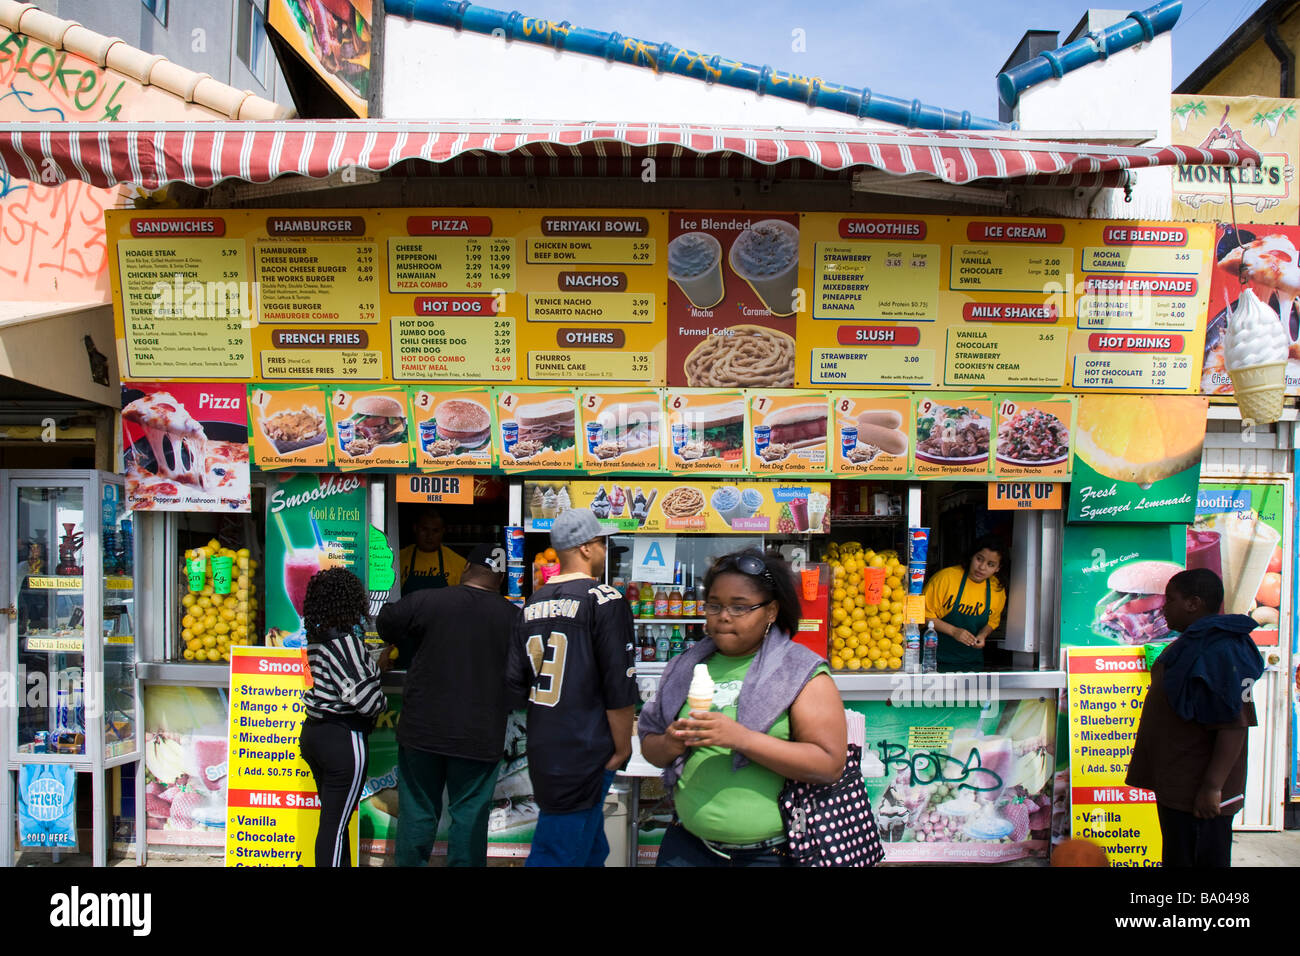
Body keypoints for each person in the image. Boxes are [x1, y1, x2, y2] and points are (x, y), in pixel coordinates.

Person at [639, 549, 847, 867]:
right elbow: (652, 749)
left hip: (771, 855)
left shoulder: (801, 672)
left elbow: (829, 764)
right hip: (688, 848)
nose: (724, 616)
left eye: (740, 607)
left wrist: (741, 738)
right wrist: (671, 742)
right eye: (715, 605)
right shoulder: (684, 666)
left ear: (771, 611)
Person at [506, 508, 637, 867]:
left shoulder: (531, 604)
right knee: (557, 853)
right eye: (602, 543)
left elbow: (515, 685)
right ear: (584, 548)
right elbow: (619, 686)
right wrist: (623, 746)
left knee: (591, 849)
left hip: (545, 745)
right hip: (587, 747)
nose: (605, 550)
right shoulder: (604, 600)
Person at [376, 544, 521, 867]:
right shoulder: (514, 617)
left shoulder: (430, 600)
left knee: (418, 810)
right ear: (500, 579)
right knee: (469, 817)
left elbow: (385, 622)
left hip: (422, 731)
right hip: (479, 734)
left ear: (466, 569)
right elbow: (525, 673)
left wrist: (409, 639)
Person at [1126, 568, 1263, 867]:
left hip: (1200, 795)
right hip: (1178, 785)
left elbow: (1234, 724)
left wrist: (1212, 787)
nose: (1162, 609)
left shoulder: (1223, 650)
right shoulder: (1194, 644)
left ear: (1193, 603)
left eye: (1170, 601)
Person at [298, 568, 386, 868]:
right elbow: (367, 702)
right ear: (351, 601)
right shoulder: (345, 642)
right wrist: (378, 677)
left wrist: (371, 667)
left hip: (314, 734)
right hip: (342, 738)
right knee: (335, 827)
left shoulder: (316, 637)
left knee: (335, 821)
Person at [922, 534, 1009, 672]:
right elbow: (922, 615)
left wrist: (983, 635)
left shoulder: (996, 589)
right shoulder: (946, 578)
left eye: (990, 565)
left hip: (972, 663)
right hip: (935, 661)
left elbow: (992, 621)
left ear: (998, 568)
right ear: (971, 556)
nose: (982, 567)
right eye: (979, 559)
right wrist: (954, 631)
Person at [398, 508, 467, 596]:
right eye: (424, 529)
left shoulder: (459, 563)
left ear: (443, 532)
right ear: (415, 528)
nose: (429, 536)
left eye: (435, 531)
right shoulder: (398, 559)